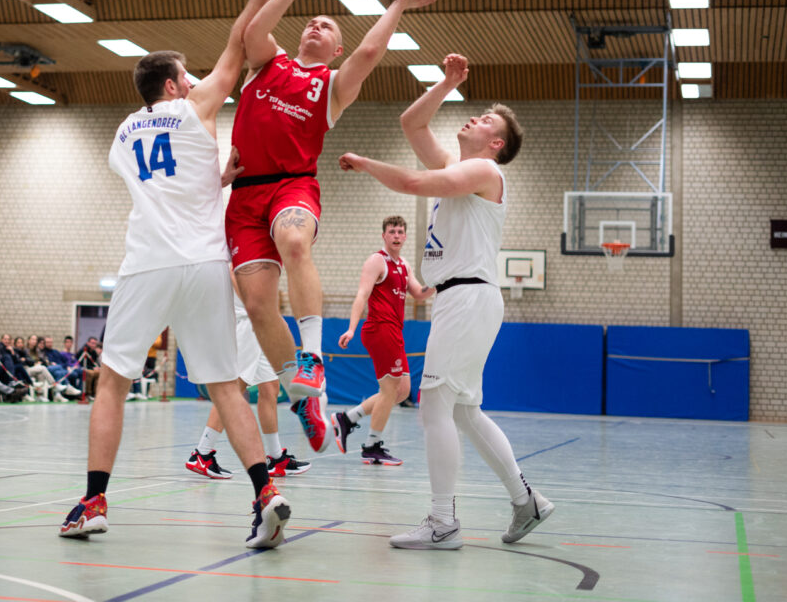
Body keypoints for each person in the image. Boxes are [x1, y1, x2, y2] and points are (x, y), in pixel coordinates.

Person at [60, 0, 290, 549]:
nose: (194, 83)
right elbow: (241, 46)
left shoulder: (122, 133)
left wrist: (213, 175)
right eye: (186, 77)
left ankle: (94, 500)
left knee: (112, 381)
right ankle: (265, 490)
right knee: (223, 384)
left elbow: (156, 181)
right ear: (169, 85)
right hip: (206, 262)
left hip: (148, 263)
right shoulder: (194, 112)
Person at [226, 0, 442, 454]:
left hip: (292, 185)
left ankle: (313, 357)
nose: (316, 26)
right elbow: (252, 31)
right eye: (311, 22)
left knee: (295, 240)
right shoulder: (268, 62)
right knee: (258, 306)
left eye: (327, 26)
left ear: (335, 46)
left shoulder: (331, 86)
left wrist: (400, 3)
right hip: (243, 194)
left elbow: (368, 53)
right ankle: (304, 400)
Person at [338, 53, 552, 549]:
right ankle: (526, 501)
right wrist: (447, 82)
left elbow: (413, 183)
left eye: (485, 121)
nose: (473, 117)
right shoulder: (462, 167)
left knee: (434, 408)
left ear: (495, 143)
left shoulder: (481, 171)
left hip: (468, 298)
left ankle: (443, 522)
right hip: (463, 300)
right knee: (463, 412)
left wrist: (369, 163)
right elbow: (411, 123)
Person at [186, 266, 310, 480]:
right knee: (233, 390)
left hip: (260, 323)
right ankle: (202, 453)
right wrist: (252, 303)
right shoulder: (236, 241)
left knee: (270, 388)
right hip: (247, 323)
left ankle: (276, 457)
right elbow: (233, 270)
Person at [331, 216, 434, 465]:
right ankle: (372, 446)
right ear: (384, 236)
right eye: (392, 232)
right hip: (380, 329)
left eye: (400, 232)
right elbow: (362, 295)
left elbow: (419, 294)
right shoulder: (377, 261)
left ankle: (347, 419)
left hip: (394, 332)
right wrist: (351, 329)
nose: (396, 236)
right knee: (390, 390)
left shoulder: (404, 266)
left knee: (402, 391)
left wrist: (442, 282)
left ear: (405, 236)